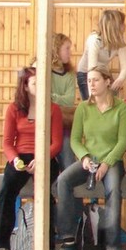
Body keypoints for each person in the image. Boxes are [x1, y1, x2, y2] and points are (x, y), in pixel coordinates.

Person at [55, 66, 126, 250]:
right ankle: (67, 236)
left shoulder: (121, 107)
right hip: (89, 159)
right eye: (89, 81)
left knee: (113, 189)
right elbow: (75, 140)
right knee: (63, 180)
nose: (91, 84)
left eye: (95, 80)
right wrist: (84, 157)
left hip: (111, 160)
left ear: (107, 81)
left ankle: (112, 244)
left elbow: (123, 141)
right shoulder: (83, 108)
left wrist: (107, 163)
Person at [0, 67, 63, 250]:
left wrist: (41, 160)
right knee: (7, 192)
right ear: (25, 86)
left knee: (44, 195)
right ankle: (2, 245)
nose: (40, 86)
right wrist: (14, 159)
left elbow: (56, 143)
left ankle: (47, 246)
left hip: (44, 156)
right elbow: (7, 143)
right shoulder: (14, 109)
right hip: (20, 156)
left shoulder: (53, 109)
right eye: (34, 83)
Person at [75, 10, 126, 100]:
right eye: (122, 23)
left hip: (102, 72)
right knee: (93, 103)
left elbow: (125, 66)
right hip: (86, 73)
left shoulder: (119, 40)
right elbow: (92, 70)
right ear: (115, 26)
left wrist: (120, 79)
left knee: (112, 97)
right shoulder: (94, 41)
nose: (125, 26)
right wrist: (92, 97)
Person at [50, 33, 77, 170]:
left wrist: (53, 97)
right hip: (47, 124)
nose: (70, 52)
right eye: (67, 48)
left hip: (63, 124)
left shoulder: (70, 74)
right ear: (56, 49)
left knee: (68, 162)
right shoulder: (45, 71)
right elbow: (43, 97)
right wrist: (58, 99)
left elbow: (69, 101)